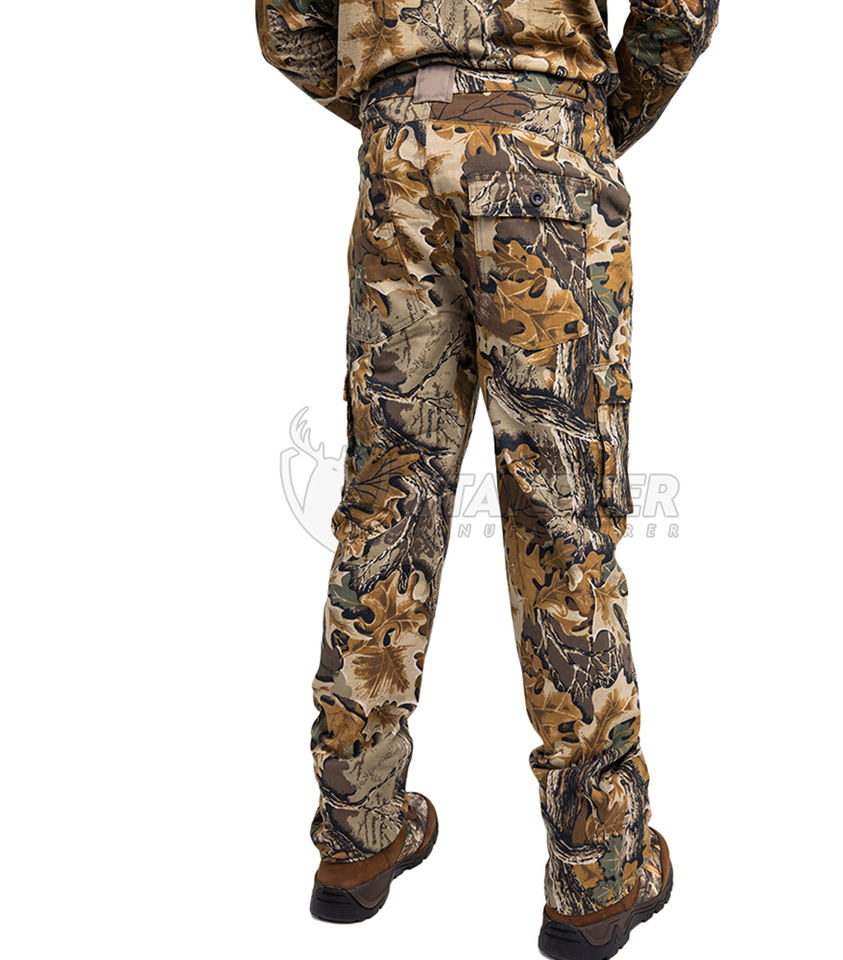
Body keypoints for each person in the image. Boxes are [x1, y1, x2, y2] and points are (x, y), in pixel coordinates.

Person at [256, 3, 717, 957]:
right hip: (544, 147)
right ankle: (596, 872)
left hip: (399, 160)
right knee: (563, 513)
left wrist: (402, 104)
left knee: (387, 502)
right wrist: (580, 115)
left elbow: (287, 21)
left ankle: (357, 834)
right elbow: (679, 8)